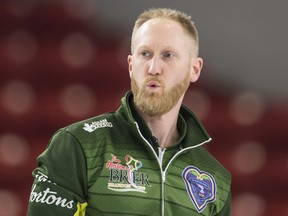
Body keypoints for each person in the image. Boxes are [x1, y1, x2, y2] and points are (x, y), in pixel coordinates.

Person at [27, 7, 231, 216]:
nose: (153, 68)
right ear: (131, 66)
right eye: (145, 54)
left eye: (168, 55)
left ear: (194, 69)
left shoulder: (215, 178)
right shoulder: (78, 145)